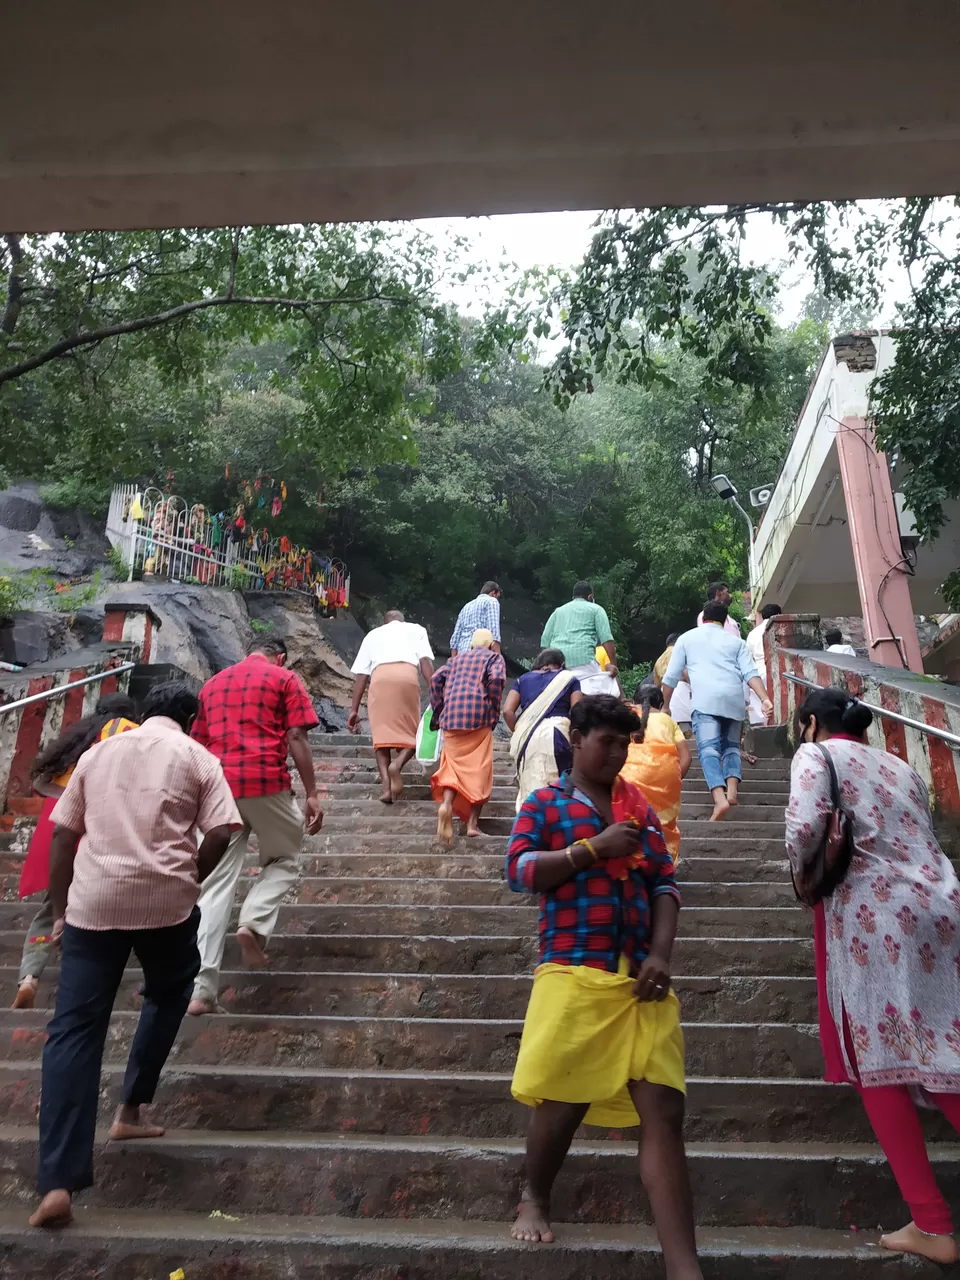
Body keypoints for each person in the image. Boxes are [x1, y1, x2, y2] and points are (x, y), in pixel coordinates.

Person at [28, 681, 241, 1229]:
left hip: (92, 903)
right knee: (171, 989)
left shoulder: (98, 752)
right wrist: (192, 875)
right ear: (192, 719)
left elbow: (61, 835)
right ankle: (129, 1109)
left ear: (144, 713)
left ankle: (56, 1182)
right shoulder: (197, 756)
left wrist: (58, 911)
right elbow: (223, 828)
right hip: (167, 904)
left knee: (73, 1030)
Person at [505, 696, 702, 1279]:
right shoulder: (545, 802)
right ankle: (534, 1194)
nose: (617, 754)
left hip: (641, 976)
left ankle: (683, 1266)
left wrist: (661, 955)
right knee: (564, 1102)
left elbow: (665, 884)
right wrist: (591, 849)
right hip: (573, 966)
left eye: (625, 744)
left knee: (663, 1109)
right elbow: (518, 871)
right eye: (606, 742)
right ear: (578, 739)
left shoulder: (638, 806)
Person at [785, 687, 960, 1266]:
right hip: (940, 903)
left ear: (811, 722)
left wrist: (800, 868)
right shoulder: (899, 763)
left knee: (879, 1058)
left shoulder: (815, 755)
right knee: (945, 1050)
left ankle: (933, 1223)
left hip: (875, 914)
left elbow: (804, 830)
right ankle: (930, 1222)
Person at [187, 636, 324, 1015]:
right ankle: (253, 921)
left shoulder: (213, 684)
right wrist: (312, 792)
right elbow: (296, 734)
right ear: (280, 657)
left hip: (219, 789)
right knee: (284, 857)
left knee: (213, 885)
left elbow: (196, 746)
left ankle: (200, 990)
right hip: (266, 783)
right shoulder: (283, 678)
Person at [13, 693, 139, 1010]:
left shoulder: (79, 734)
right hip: (104, 828)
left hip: (60, 826)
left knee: (50, 908)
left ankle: (29, 976)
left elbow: (42, 782)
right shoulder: (133, 733)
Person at [662, 600, 773, 822]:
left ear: (703, 619)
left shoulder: (687, 639)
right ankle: (732, 792)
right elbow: (750, 673)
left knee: (708, 750)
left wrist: (665, 706)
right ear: (724, 621)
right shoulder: (736, 642)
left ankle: (719, 798)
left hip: (705, 702)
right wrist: (764, 698)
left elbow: (671, 677)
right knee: (731, 747)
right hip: (733, 701)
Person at [347, 610, 435, 803]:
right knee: (413, 733)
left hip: (381, 678)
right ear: (402, 620)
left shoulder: (373, 635)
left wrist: (353, 709)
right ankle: (397, 764)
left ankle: (386, 787)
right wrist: (436, 694)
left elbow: (362, 675)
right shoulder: (416, 630)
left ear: (385, 622)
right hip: (407, 676)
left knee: (381, 736)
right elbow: (425, 663)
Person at [429, 628, 506, 844]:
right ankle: (472, 825)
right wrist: (492, 707)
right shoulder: (494, 657)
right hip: (478, 718)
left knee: (452, 768)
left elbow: (435, 680)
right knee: (479, 769)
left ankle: (446, 806)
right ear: (491, 645)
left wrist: (440, 708)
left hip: (451, 718)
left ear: (471, 645)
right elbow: (498, 679)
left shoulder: (456, 660)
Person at [503, 648, 583, 811]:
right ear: (562, 664)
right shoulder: (569, 679)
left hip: (527, 738)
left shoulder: (522, 679)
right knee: (559, 787)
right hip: (558, 734)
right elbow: (578, 712)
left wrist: (519, 732)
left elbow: (507, 711)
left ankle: (532, 823)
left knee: (530, 786)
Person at [621, 687, 691, 862]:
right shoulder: (667, 719)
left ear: (634, 701)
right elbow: (686, 757)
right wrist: (673, 780)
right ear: (660, 705)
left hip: (629, 776)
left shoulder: (626, 716)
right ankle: (662, 865)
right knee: (664, 824)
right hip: (666, 776)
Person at [540, 581, 619, 695]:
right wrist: (613, 665)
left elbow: (545, 642)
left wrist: (547, 667)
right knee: (610, 690)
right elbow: (607, 640)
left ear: (573, 597)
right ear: (590, 596)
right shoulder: (596, 609)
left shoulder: (558, 611)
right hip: (585, 663)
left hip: (557, 665)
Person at [743, 604, 782, 764]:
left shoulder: (752, 633)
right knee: (774, 705)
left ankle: (759, 739)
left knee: (759, 707)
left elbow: (747, 656)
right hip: (773, 668)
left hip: (756, 672)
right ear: (778, 614)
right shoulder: (777, 627)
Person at [449, 582, 502, 657]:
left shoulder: (466, 607)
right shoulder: (492, 601)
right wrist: (498, 660)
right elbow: (494, 634)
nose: (497, 599)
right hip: (479, 656)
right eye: (498, 597)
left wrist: (454, 662)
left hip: (461, 657)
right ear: (493, 593)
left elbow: (455, 640)